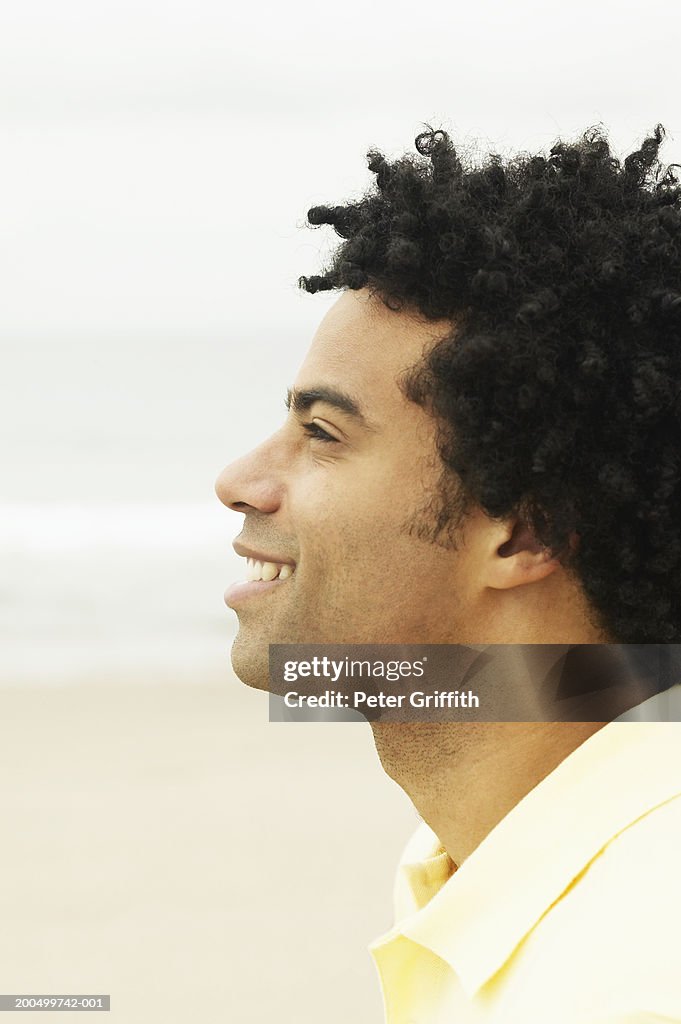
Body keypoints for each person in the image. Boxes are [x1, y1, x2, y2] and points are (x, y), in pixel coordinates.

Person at [215, 124, 681, 1023]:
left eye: (322, 433)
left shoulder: (641, 958)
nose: (239, 481)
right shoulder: (482, 856)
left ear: (525, 533)